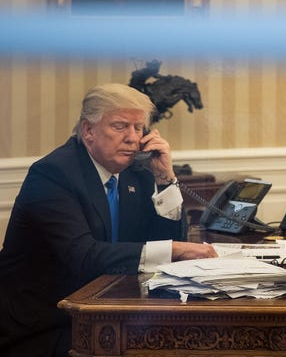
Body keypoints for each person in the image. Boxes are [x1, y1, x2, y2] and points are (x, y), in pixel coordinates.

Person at [0, 83, 217, 356]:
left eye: (139, 128)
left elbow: (166, 241)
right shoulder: (53, 174)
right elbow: (84, 255)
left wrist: (165, 179)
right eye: (120, 126)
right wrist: (174, 249)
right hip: (45, 326)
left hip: (105, 314)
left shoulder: (136, 172)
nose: (132, 138)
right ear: (88, 130)